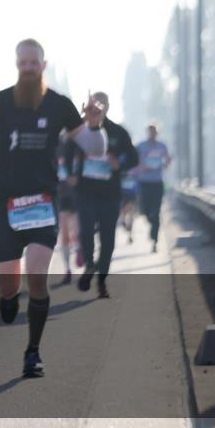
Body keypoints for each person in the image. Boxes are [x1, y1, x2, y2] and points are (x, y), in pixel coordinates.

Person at [0, 39, 106, 378]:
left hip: (42, 203)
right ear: (16, 64)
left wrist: (95, 125)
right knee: (11, 286)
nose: (27, 67)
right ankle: (6, 297)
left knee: (38, 277)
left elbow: (94, 150)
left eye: (33, 62)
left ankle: (32, 352)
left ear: (43, 65)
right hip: (4, 203)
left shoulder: (59, 105)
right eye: (22, 62)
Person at [64, 92, 138, 299]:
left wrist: (119, 164)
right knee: (85, 232)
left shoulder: (118, 132)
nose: (98, 107)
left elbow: (133, 158)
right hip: (85, 192)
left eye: (102, 104)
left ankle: (102, 281)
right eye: (94, 104)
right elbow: (66, 151)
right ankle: (89, 266)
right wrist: (70, 173)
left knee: (108, 240)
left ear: (107, 106)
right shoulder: (79, 130)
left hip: (110, 194)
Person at [135, 124, 171, 253]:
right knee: (144, 211)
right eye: (150, 132)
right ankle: (151, 224)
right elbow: (133, 159)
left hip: (157, 182)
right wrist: (139, 166)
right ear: (147, 132)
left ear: (157, 133)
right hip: (144, 182)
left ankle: (155, 239)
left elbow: (167, 160)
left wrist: (166, 163)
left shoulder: (162, 146)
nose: (152, 134)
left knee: (156, 211)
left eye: (154, 132)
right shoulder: (140, 146)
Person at [55, 138, 82, 284]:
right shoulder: (54, 144)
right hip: (61, 195)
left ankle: (79, 249)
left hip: (78, 194)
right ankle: (67, 269)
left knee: (77, 232)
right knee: (64, 233)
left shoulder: (80, 143)